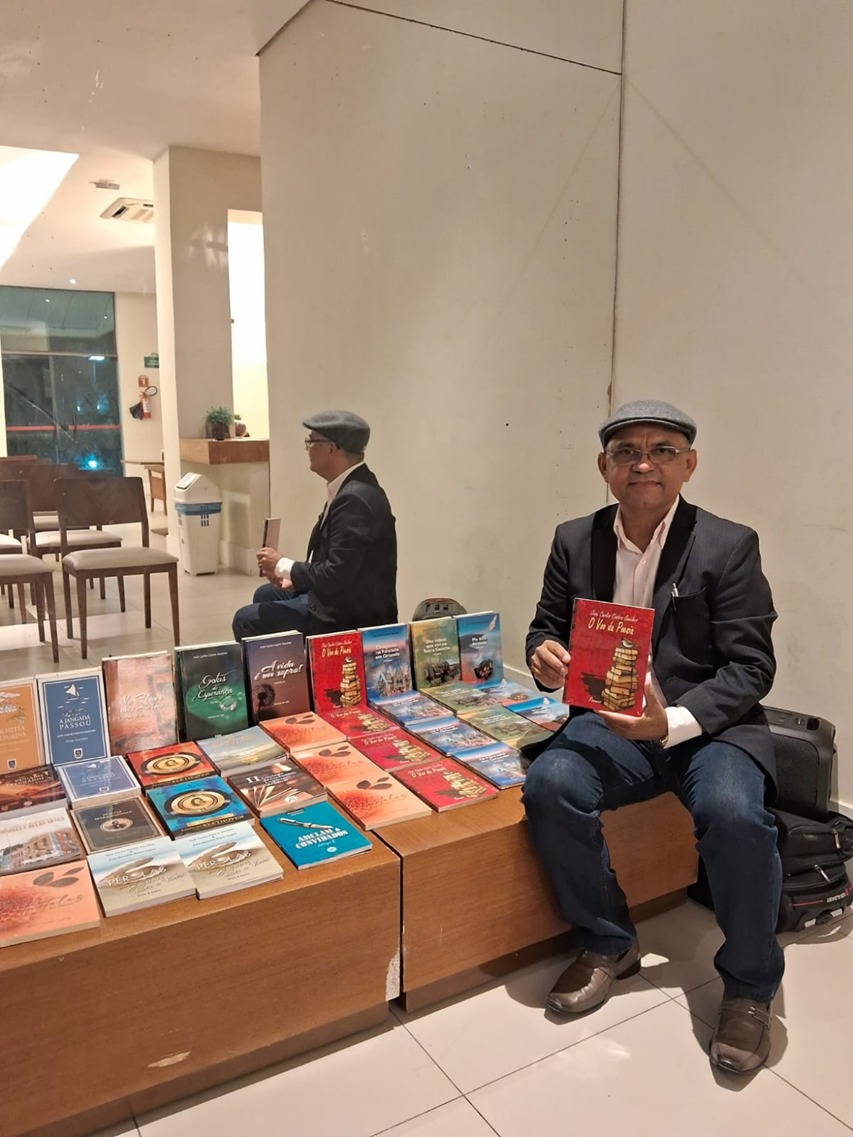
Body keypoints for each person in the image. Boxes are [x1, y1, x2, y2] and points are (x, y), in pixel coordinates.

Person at [523, 399, 782, 1075]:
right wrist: (543, 654)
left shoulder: (727, 544)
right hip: (611, 724)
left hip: (708, 729)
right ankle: (608, 940)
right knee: (550, 783)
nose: (643, 464)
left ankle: (750, 986)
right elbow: (545, 625)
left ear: (688, 465)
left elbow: (752, 668)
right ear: (603, 467)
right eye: (626, 452)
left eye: (662, 450)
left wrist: (672, 722)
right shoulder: (573, 539)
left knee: (735, 813)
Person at [232, 410, 397, 641]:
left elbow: (337, 574)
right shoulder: (353, 485)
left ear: (331, 448)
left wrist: (282, 564)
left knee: (245, 619)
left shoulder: (355, 499)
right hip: (341, 597)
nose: (307, 449)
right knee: (265, 594)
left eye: (311, 442)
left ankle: (294, 663)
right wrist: (293, 577)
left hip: (350, 616)